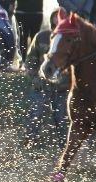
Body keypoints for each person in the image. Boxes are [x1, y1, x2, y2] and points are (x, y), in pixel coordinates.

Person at [25, 9, 69, 148]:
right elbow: (30, 61)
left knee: (62, 119)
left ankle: (65, 146)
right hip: (42, 86)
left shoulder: (71, 41)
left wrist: (69, 84)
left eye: (62, 17)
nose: (59, 19)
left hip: (62, 89)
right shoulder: (42, 37)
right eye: (56, 17)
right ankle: (30, 142)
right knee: (35, 114)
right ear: (52, 19)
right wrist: (35, 79)